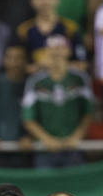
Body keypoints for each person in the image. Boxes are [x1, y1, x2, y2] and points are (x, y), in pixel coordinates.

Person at [22, 36, 94, 169]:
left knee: (75, 187)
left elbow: (89, 112)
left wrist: (77, 136)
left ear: (69, 51)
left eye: (61, 48)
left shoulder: (80, 79)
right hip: (44, 149)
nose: (57, 52)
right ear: (46, 52)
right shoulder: (35, 82)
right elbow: (28, 117)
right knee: (45, 188)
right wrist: (46, 139)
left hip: (73, 148)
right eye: (52, 48)